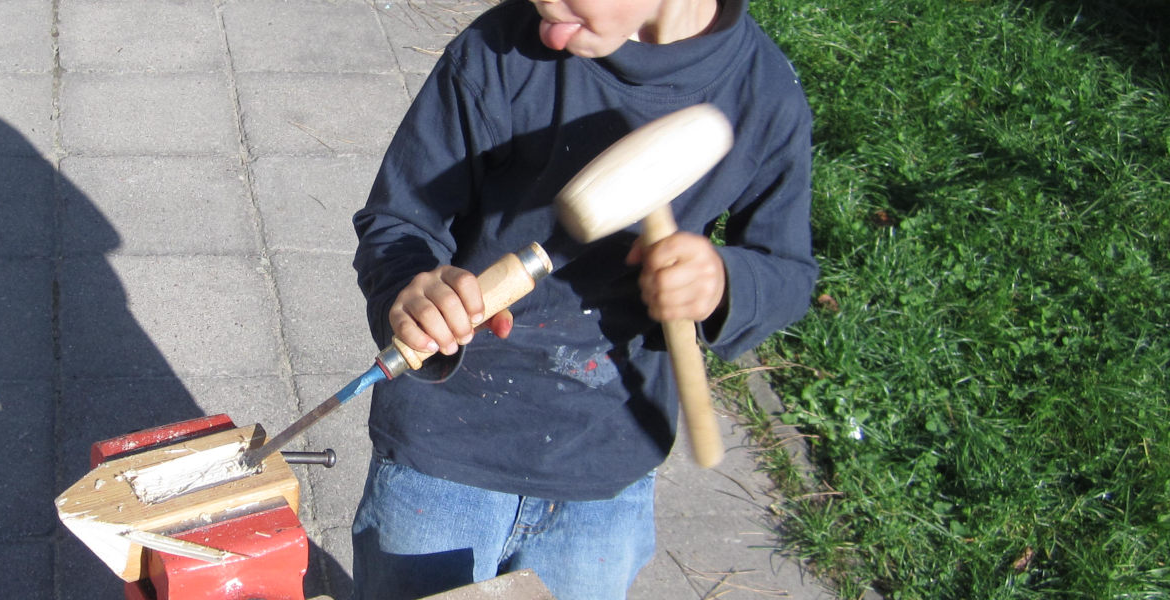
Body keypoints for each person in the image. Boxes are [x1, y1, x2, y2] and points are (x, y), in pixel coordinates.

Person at [348, 0, 818, 596]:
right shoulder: (498, 53)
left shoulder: (762, 96)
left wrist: (724, 282)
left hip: (604, 467)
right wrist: (410, 287)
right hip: (444, 451)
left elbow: (789, 273)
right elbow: (398, 220)